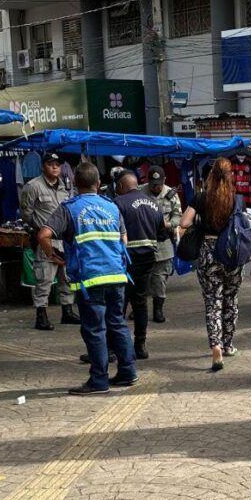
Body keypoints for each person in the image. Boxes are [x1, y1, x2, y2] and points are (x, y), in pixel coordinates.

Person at [38, 162, 137, 396]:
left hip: (90, 280)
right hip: (117, 275)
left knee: (95, 330)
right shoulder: (111, 206)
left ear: (75, 183)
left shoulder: (69, 208)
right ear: (98, 183)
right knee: (117, 324)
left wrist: (53, 256)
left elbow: (43, 234)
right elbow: (124, 239)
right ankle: (128, 372)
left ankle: (99, 380)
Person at [179, 157, 251, 372]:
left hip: (208, 254)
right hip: (232, 255)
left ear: (211, 176)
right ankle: (228, 344)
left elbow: (184, 222)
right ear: (230, 176)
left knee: (212, 301)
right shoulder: (237, 200)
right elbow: (245, 231)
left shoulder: (201, 198)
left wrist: (200, 222)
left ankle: (216, 346)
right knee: (230, 300)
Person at [20, 152, 80, 331]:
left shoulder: (66, 186)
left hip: (65, 240)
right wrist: (40, 228)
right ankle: (41, 315)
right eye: (50, 164)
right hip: (46, 239)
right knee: (44, 278)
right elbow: (26, 213)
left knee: (67, 277)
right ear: (42, 166)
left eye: (57, 164)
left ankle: (67, 311)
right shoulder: (33, 186)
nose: (55, 167)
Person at [112, 169, 167, 360]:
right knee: (141, 303)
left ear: (121, 186)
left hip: (124, 261)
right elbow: (162, 235)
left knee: (119, 303)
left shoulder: (118, 203)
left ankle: (114, 348)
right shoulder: (154, 205)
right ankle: (140, 346)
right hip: (147, 260)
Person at [143, 166, 181, 323]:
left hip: (163, 241)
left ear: (164, 180)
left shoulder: (171, 195)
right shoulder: (140, 192)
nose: (155, 187)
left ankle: (157, 309)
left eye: (158, 184)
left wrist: (168, 225)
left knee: (160, 278)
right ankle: (140, 308)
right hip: (143, 241)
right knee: (142, 278)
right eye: (152, 184)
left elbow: (178, 216)